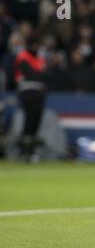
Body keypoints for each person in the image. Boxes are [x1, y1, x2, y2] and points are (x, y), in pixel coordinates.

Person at [14, 34, 46, 162]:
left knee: (36, 121)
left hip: (39, 92)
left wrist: (40, 75)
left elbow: (44, 75)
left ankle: (30, 151)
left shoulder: (39, 58)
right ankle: (24, 152)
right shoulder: (23, 56)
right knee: (29, 120)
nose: (36, 47)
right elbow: (31, 74)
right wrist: (40, 75)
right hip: (27, 92)